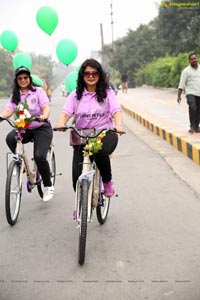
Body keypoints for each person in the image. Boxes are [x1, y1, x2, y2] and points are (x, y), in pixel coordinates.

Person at [56, 58, 123, 196]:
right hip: (82, 136)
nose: (91, 76)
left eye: (94, 73)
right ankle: (80, 207)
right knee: (76, 177)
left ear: (100, 75)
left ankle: (107, 182)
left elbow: (116, 111)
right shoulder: (76, 94)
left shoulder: (107, 92)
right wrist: (61, 123)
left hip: (105, 133)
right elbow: (66, 113)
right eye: (87, 73)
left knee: (99, 153)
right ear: (82, 76)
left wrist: (119, 125)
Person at [0, 66, 54, 202]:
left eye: (25, 77)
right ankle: (21, 164)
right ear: (16, 80)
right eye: (20, 78)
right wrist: (1, 117)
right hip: (26, 127)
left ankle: (48, 185)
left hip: (42, 127)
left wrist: (44, 115)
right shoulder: (16, 94)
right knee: (10, 138)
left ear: (29, 79)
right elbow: (9, 110)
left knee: (40, 156)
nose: (23, 80)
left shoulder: (38, 91)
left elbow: (46, 107)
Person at [177, 53, 200, 133]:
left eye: (195, 58)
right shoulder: (186, 71)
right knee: (193, 108)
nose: (194, 60)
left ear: (197, 59)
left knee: (198, 110)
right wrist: (179, 95)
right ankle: (192, 126)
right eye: (192, 59)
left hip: (199, 93)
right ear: (189, 61)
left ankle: (197, 127)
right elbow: (182, 84)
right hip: (190, 93)